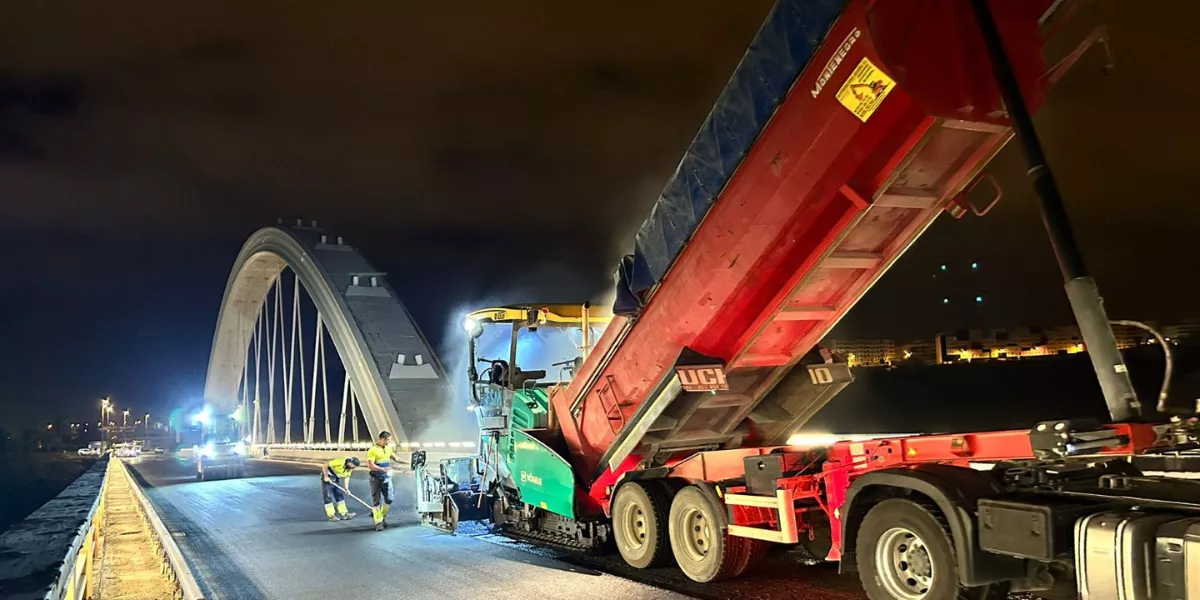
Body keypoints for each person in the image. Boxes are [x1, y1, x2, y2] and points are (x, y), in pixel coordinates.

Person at [366, 431, 403, 531]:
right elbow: (370, 465)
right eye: (388, 440)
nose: (389, 442)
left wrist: (410, 462)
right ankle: (378, 523)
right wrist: (381, 469)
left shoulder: (388, 448)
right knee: (376, 501)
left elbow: (396, 458)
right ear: (382, 439)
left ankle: (382, 517)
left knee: (389, 498)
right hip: (376, 478)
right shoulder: (372, 450)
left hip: (386, 477)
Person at [321, 456, 360, 521]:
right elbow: (325, 465)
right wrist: (326, 476)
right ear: (350, 462)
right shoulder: (340, 461)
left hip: (336, 479)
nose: (354, 468)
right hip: (327, 477)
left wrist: (346, 489)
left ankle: (344, 514)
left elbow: (347, 477)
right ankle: (332, 516)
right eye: (354, 466)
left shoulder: (349, 468)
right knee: (328, 496)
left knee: (339, 495)